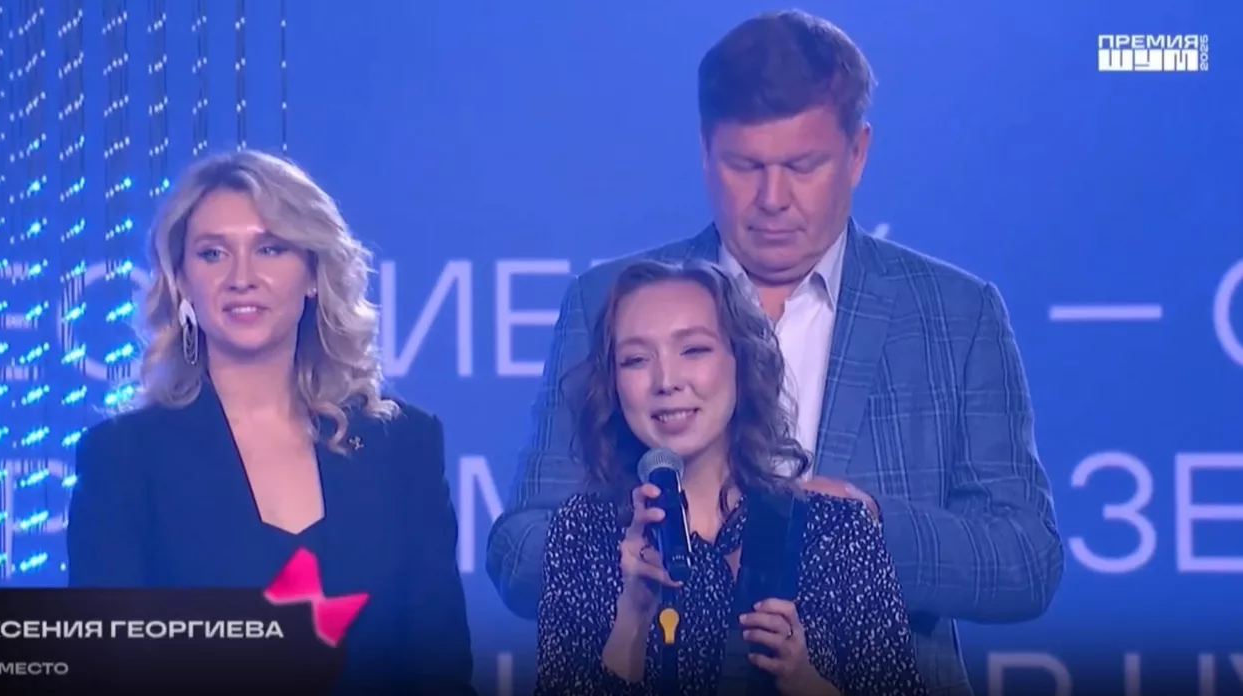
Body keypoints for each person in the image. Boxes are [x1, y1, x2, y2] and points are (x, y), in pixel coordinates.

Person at [489, 10, 1063, 695]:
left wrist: (863, 530)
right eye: (745, 166)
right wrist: (625, 556)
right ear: (705, 151)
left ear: (857, 153)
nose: (772, 199)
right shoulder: (610, 302)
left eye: (801, 166)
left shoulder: (955, 315)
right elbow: (517, 550)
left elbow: (1027, 561)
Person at [66, 150, 475, 695]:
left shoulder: (402, 445)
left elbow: (440, 674)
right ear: (181, 280)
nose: (242, 278)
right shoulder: (123, 459)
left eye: (270, 248)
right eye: (213, 253)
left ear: (313, 273)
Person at [535, 259, 926, 696]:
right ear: (613, 382)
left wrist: (806, 682)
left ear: (742, 361)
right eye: (636, 359)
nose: (666, 381)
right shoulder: (584, 531)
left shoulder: (837, 532)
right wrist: (632, 615)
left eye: (693, 350)